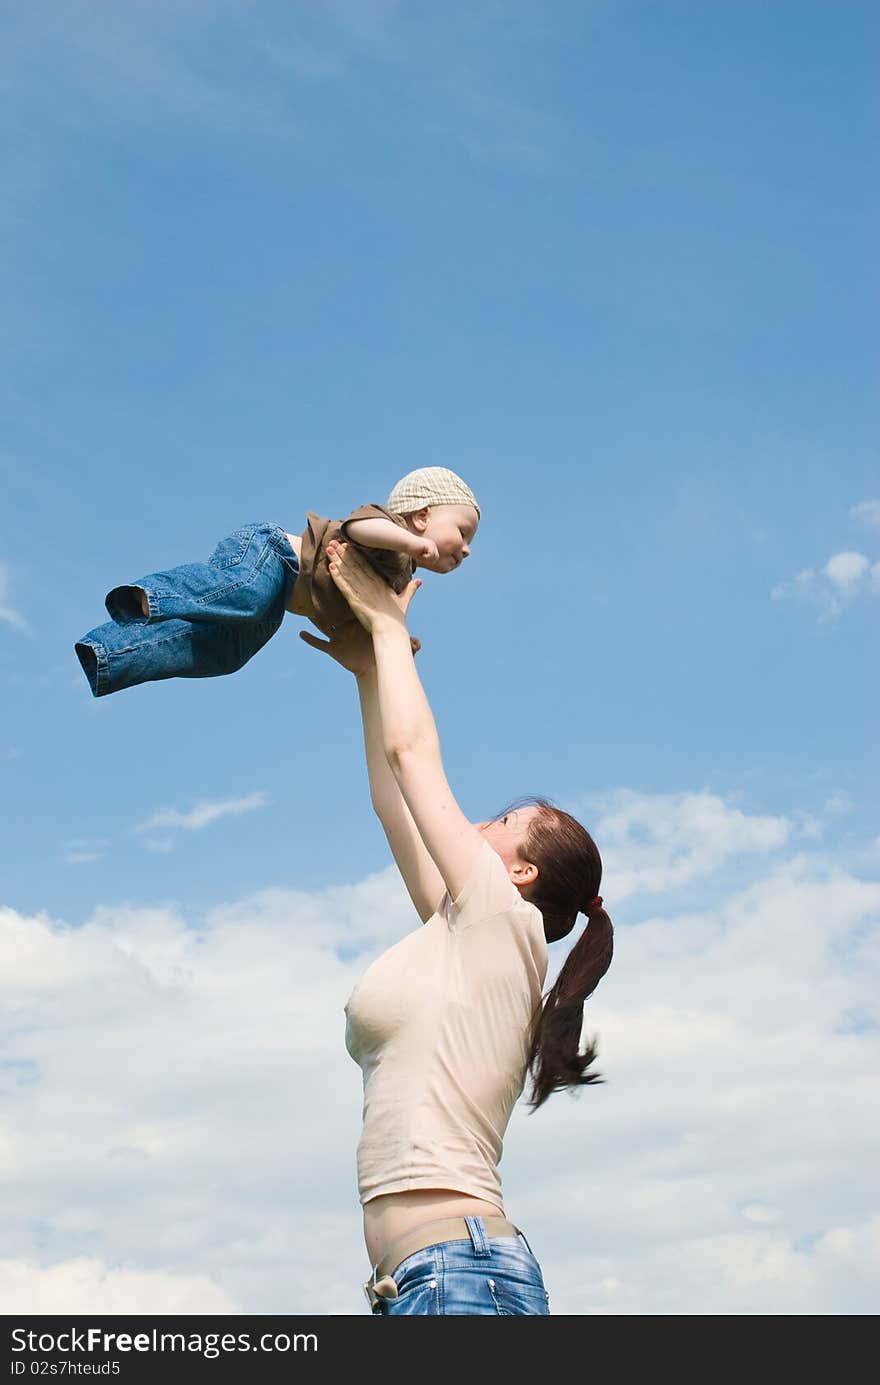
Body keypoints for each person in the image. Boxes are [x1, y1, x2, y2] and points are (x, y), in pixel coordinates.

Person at [300, 538, 614, 1317]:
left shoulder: (503, 922)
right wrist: (374, 670)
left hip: (460, 1275)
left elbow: (415, 758)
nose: (477, 819)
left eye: (504, 821)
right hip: (440, 1278)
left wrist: (383, 624)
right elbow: (391, 794)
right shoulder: (466, 931)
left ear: (522, 874)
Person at [73, 467, 479, 697]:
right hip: (272, 554)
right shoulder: (388, 529)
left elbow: (372, 615)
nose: (465, 550)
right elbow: (359, 529)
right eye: (462, 532)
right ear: (422, 515)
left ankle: (109, 656)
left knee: (228, 654)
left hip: (281, 600)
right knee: (244, 595)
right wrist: (409, 541)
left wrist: (395, 642)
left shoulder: (399, 579)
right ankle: (148, 597)